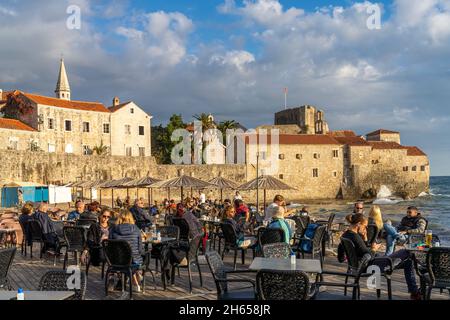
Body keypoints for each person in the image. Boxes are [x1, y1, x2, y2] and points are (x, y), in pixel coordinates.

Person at [338, 213, 422, 300]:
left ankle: (414, 292)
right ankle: (420, 281)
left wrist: (365, 238)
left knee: (408, 262)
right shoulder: (355, 237)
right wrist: (374, 249)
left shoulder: (345, 235)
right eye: (365, 226)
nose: (366, 228)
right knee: (406, 252)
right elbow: (368, 255)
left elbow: (340, 258)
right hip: (371, 266)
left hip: (360, 266)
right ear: (359, 224)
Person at [109, 210, 145, 292]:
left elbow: (110, 247)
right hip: (133, 261)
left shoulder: (113, 229)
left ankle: (123, 280)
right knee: (142, 256)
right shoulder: (136, 229)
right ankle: (136, 276)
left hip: (116, 261)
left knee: (124, 258)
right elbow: (140, 249)